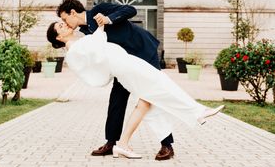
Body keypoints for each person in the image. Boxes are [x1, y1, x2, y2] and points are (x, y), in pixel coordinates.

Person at [47, 21, 224, 158]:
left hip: (124, 64)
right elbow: (97, 52)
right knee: (160, 82)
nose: (64, 25)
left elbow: (96, 49)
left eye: (62, 22)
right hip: (124, 65)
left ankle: (123, 144)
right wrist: (100, 29)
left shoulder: (77, 47)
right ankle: (197, 112)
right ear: (59, 38)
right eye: (60, 26)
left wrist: (100, 31)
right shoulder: (74, 50)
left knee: (147, 102)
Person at [56, 0, 175, 160]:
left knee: (151, 97)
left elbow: (131, 10)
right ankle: (111, 143)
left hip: (144, 51)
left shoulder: (101, 9)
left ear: (73, 12)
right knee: (116, 99)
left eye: (64, 19)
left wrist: (108, 19)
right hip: (124, 64)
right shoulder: (85, 31)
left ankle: (166, 145)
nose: (66, 23)